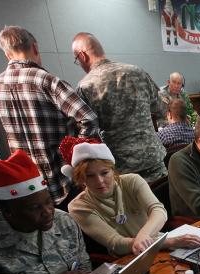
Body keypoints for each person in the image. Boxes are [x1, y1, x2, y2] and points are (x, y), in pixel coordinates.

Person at [0, 26, 99, 206]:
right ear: (34, 47)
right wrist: (76, 154)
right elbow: (88, 118)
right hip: (62, 178)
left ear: (7, 54)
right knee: (74, 226)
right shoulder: (47, 81)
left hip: (28, 181)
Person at [62, 137, 200, 256]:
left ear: (113, 170)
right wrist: (170, 242)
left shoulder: (132, 181)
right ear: (81, 179)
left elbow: (158, 211)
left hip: (159, 244)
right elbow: (116, 243)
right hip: (128, 258)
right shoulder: (78, 206)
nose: (99, 181)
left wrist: (143, 236)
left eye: (104, 173)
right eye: (90, 176)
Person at [72, 32, 167, 182]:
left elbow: (88, 132)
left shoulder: (85, 86)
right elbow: (161, 108)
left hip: (120, 169)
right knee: (161, 203)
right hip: (154, 160)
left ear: (82, 56)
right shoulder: (137, 71)